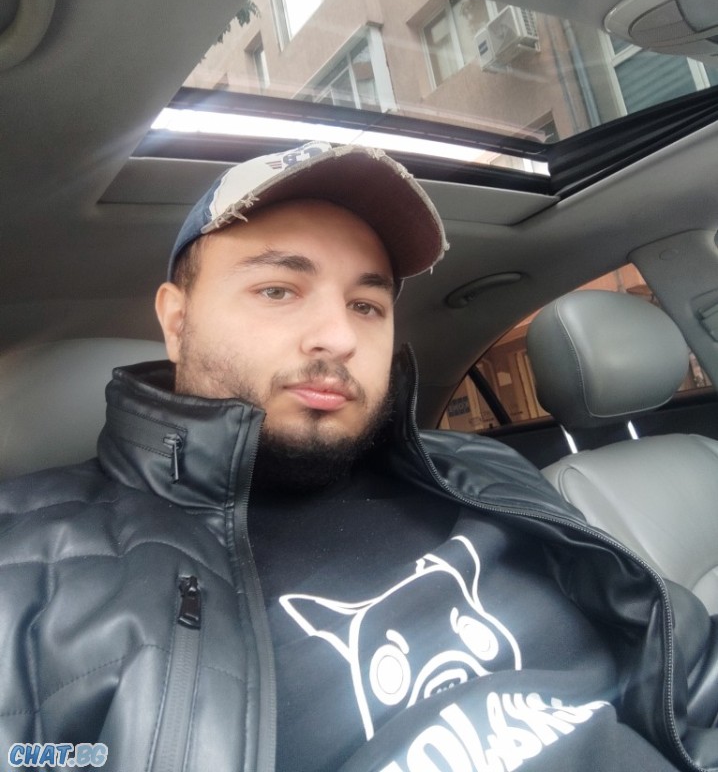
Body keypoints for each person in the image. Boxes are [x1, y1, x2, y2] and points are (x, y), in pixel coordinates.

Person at [0, 141, 716, 772]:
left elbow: (692, 678)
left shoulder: (483, 472)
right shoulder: (28, 568)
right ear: (177, 321)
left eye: (367, 306)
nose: (338, 338)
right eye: (278, 289)